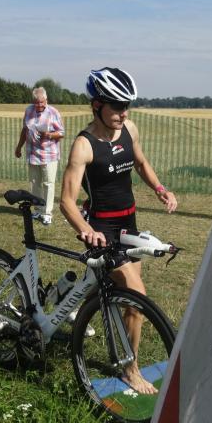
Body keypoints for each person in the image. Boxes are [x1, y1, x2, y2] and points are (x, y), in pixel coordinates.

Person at [60, 67, 178, 394]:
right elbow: (67, 201)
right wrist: (86, 230)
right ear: (97, 105)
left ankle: (67, 297)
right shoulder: (84, 145)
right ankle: (130, 369)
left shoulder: (129, 129)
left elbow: (140, 162)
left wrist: (160, 188)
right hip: (102, 229)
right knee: (137, 298)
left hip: (129, 225)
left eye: (127, 106)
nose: (123, 113)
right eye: (117, 106)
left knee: (118, 293)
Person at [15, 87, 64, 225]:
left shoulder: (53, 112)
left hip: (49, 155)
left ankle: (47, 213)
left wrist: (49, 135)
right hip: (33, 154)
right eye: (36, 102)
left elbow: (61, 133)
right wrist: (19, 147)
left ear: (46, 100)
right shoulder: (28, 110)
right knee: (34, 183)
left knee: (48, 183)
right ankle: (38, 210)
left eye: (42, 102)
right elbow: (25, 130)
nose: (39, 105)